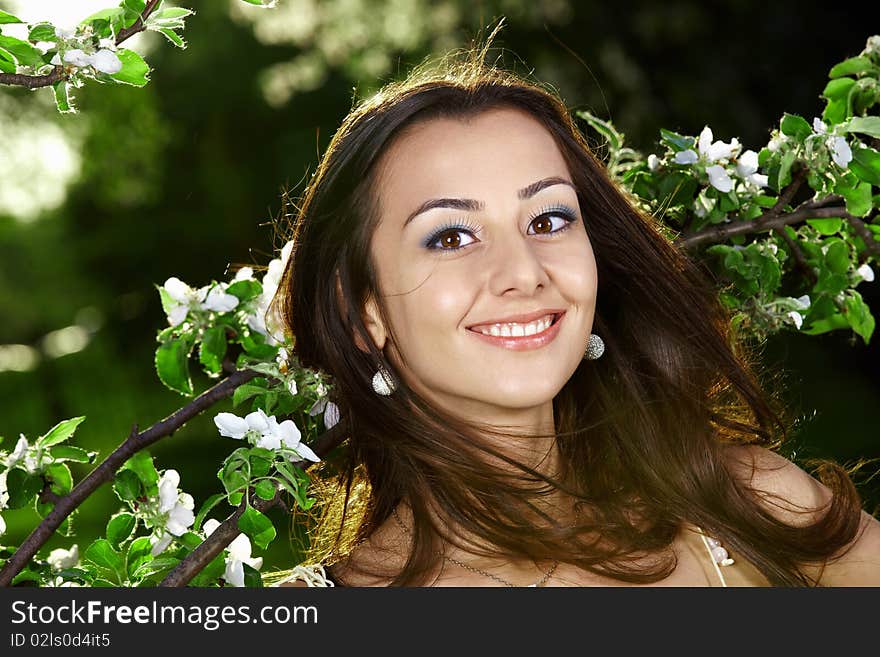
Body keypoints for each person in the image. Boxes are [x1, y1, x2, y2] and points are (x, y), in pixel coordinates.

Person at [264, 27, 880, 587]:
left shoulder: (750, 505)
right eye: (451, 237)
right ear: (361, 311)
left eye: (549, 218)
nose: (524, 273)